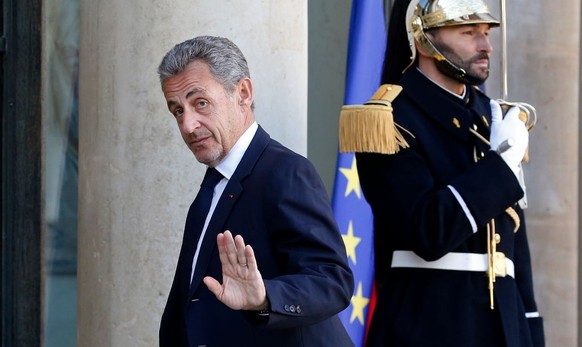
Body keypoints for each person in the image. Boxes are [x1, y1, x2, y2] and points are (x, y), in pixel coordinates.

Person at [352, 0, 545, 346]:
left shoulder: (493, 119)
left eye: (485, 33)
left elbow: (515, 255)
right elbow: (428, 232)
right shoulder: (391, 120)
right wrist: (499, 167)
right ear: (424, 39)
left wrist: (531, 333)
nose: (485, 45)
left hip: (505, 329)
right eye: (468, 32)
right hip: (427, 327)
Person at [157, 35, 354, 347]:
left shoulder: (286, 172)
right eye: (177, 110)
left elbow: (332, 281)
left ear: (243, 94)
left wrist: (264, 298)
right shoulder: (214, 184)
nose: (188, 125)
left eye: (200, 103)